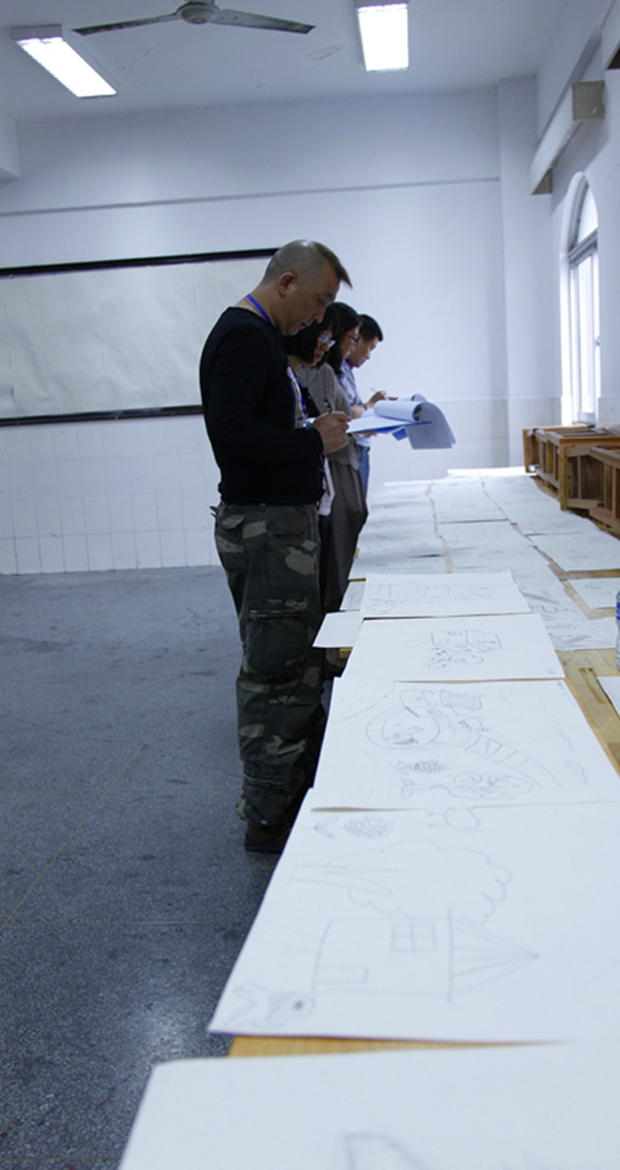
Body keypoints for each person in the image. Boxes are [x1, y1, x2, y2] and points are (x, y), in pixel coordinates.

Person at [199, 240, 351, 853]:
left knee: (297, 666)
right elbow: (232, 435)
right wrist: (314, 441)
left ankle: (293, 796)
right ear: (286, 282)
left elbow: (264, 425)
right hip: (266, 530)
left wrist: (310, 431)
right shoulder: (243, 336)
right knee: (274, 673)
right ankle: (266, 816)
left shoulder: (261, 338)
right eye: (317, 301)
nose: (318, 317)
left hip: (281, 529)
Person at [293, 304, 367, 612]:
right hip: (330, 468)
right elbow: (337, 420)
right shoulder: (313, 372)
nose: (328, 345)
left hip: (337, 464)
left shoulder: (327, 371)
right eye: (324, 337)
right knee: (336, 546)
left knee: (342, 539)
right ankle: (336, 610)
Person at [338, 313, 385, 495]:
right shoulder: (337, 369)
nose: (369, 356)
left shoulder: (346, 369)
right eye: (370, 347)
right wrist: (371, 405)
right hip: (352, 449)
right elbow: (347, 413)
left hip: (359, 448)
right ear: (357, 339)